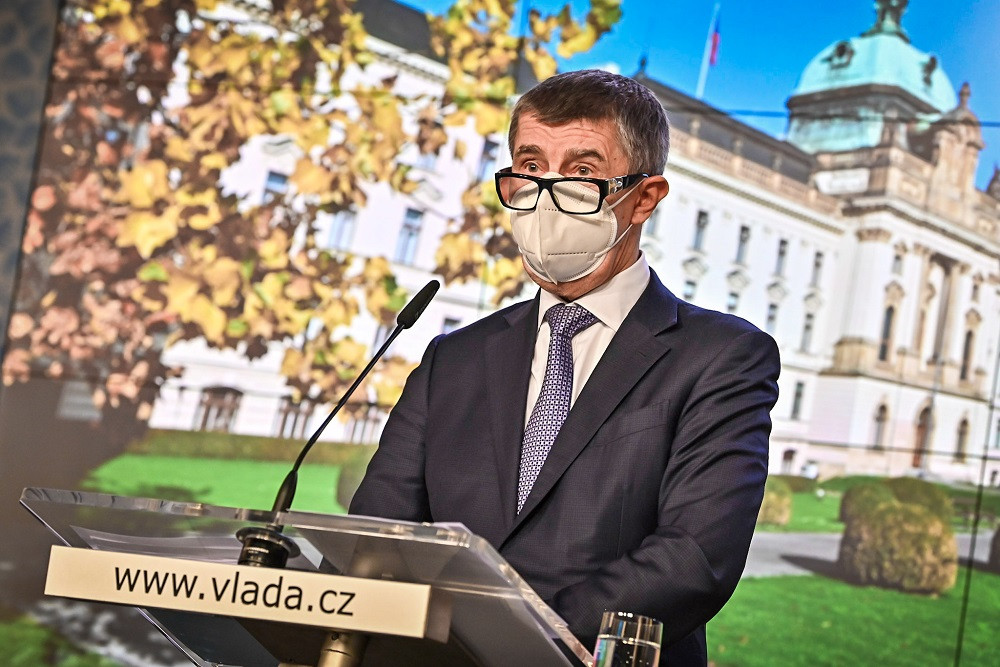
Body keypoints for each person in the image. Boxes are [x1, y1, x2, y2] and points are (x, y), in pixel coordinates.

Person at [351, 69, 780, 665]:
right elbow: (380, 532)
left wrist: (505, 637)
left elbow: (693, 557)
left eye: (580, 173)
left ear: (645, 198)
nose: (545, 196)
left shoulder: (722, 357)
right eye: (530, 166)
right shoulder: (454, 356)